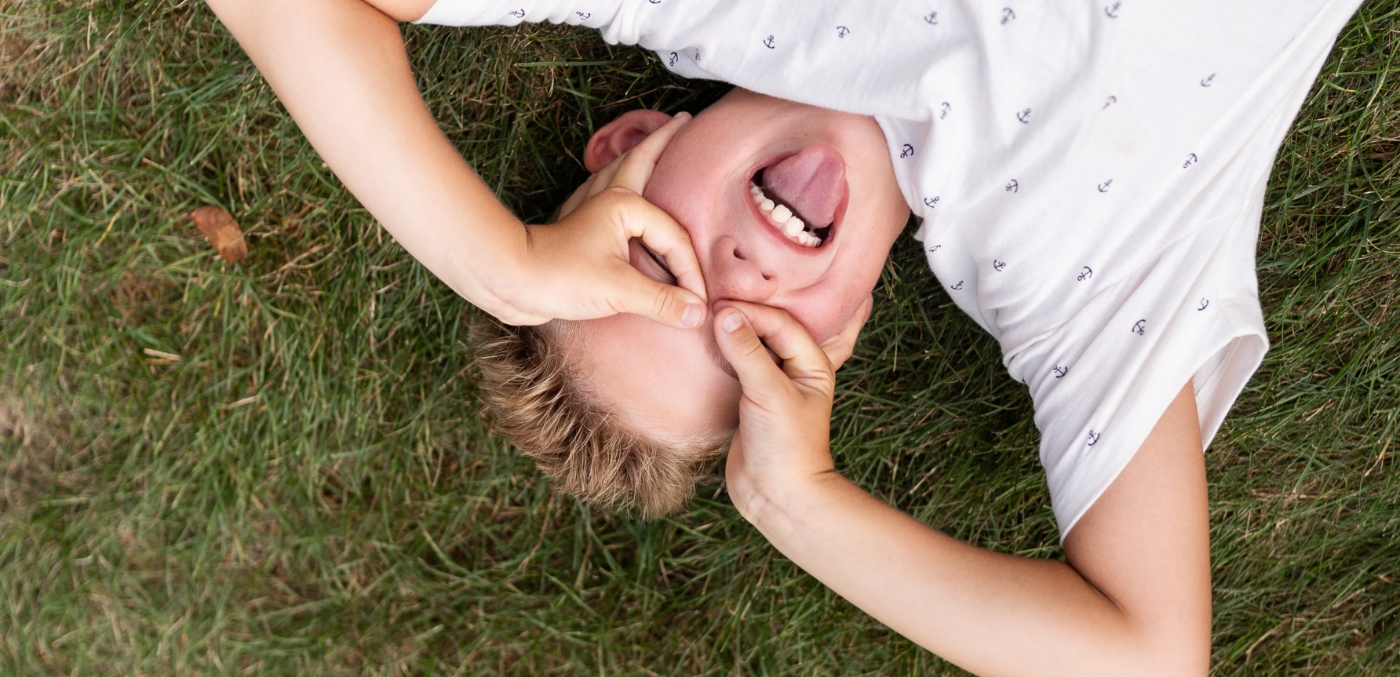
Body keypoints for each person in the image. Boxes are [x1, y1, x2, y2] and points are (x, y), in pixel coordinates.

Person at [206, 0, 1368, 674]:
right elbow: (1143, 659)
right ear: (836, 344)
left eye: (656, 262)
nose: (738, 283)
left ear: (631, 143)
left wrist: (504, 263)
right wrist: (794, 497)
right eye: (748, 353)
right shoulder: (1071, 263)